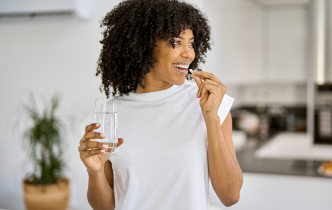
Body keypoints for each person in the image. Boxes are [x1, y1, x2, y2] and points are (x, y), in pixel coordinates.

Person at [78, 0, 243, 209]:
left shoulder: (209, 102)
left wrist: (211, 117)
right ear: (145, 46)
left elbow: (230, 196)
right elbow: (105, 207)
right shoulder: (108, 115)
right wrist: (95, 171)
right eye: (176, 42)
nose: (189, 53)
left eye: (191, 43)